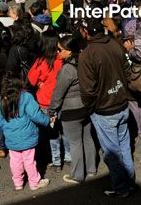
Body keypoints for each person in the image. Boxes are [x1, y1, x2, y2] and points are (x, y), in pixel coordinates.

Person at [78, 18, 134, 198]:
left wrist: (91, 107)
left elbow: (87, 89)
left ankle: (122, 188)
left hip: (105, 110)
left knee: (112, 153)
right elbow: (127, 71)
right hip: (121, 105)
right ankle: (129, 183)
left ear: (86, 32)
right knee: (124, 147)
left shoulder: (88, 53)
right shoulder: (115, 44)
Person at [48, 35, 97, 184]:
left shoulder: (66, 70)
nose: (57, 52)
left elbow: (58, 94)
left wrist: (52, 110)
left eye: (60, 50)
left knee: (75, 142)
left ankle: (77, 175)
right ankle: (91, 169)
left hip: (71, 111)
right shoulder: (84, 63)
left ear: (69, 51)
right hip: (86, 106)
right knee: (88, 138)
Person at [0, 74, 50, 191]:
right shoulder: (26, 97)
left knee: (15, 161)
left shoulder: (1, 100)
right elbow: (35, 115)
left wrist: (7, 128)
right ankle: (34, 182)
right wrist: (47, 121)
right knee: (29, 160)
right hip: (27, 135)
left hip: (11, 136)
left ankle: (18, 183)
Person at [27, 31, 69, 171]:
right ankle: (69, 157)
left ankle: (56, 161)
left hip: (46, 103)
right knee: (66, 131)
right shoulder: (63, 60)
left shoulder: (41, 61)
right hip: (63, 101)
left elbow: (31, 80)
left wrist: (40, 82)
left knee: (52, 133)